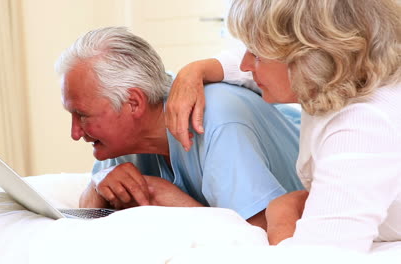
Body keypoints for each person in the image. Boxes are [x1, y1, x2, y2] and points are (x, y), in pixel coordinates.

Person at [165, 0, 401, 253]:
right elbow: (243, 66)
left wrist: (283, 213)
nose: (245, 64)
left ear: (309, 57)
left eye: (255, 53)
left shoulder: (362, 127)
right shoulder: (345, 76)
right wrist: (193, 71)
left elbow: (320, 256)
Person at [55, 26, 303, 229]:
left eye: (82, 116)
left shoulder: (217, 121)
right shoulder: (126, 136)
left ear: (134, 103)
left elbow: (262, 234)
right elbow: (83, 217)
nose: (75, 133)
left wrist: (168, 197)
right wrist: (99, 182)